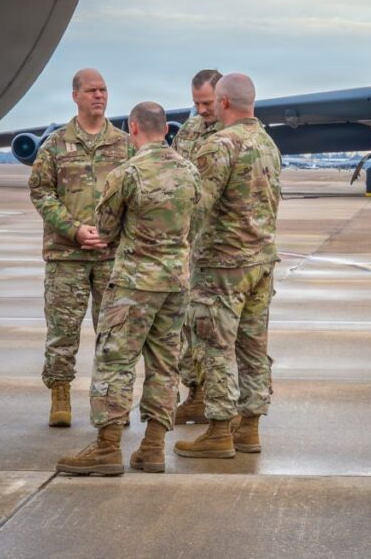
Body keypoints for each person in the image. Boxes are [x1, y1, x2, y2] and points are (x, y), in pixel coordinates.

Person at [56, 102, 201, 476]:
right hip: (175, 283)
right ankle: (152, 447)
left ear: (133, 128)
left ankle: (107, 448)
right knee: (165, 365)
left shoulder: (127, 174)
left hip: (135, 283)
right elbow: (195, 223)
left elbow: (105, 230)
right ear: (166, 129)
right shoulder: (190, 172)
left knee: (115, 361)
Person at [175, 73, 281, 459]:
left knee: (215, 347)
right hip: (261, 263)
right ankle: (249, 427)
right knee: (253, 346)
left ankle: (219, 430)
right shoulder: (268, 144)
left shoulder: (219, 145)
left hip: (222, 266)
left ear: (222, 102)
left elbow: (195, 208)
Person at [28, 68, 133, 427]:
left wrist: (113, 230)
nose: (99, 96)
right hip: (67, 256)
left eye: (103, 89)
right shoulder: (55, 144)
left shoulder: (124, 144)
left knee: (113, 334)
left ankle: (112, 404)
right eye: (91, 90)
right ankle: (60, 395)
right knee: (62, 330)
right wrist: (73, 230)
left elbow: (136, 194)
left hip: (110, 255)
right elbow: (41, 192)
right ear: (75, 96)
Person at [170, 69, 223, 425]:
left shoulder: (235, 133)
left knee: (218, 330)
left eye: (207, 103)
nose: (201, 110)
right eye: (196, 103)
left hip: (222, 249)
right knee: (188, 325)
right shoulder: (188, 131)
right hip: (190, 247)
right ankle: (196, 394)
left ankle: (225, 406)